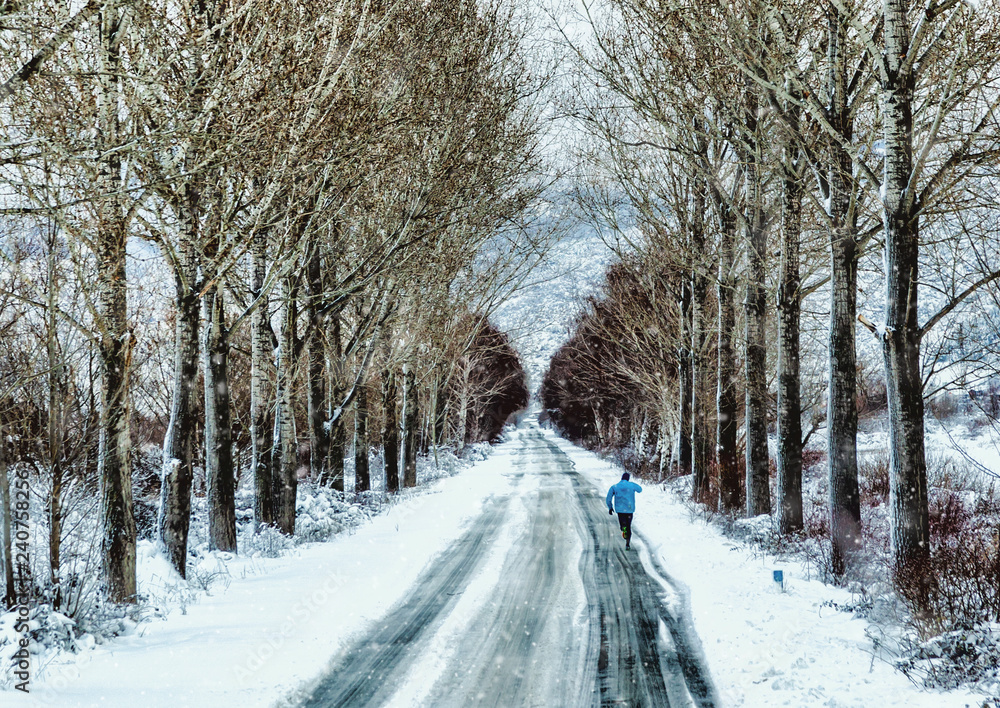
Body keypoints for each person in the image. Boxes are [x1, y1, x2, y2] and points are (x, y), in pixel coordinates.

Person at [606, 472, 642, 550]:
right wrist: (632, 485)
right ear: (628, 478)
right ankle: (628, 543)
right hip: (629, 509)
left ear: (621, 478)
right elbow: (640, 490)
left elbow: (608, 498)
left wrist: (610, 507)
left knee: (623, 524)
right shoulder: (631, 485)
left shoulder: (615, 487)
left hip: (620, 509)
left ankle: (623, 528)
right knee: (629, 525)